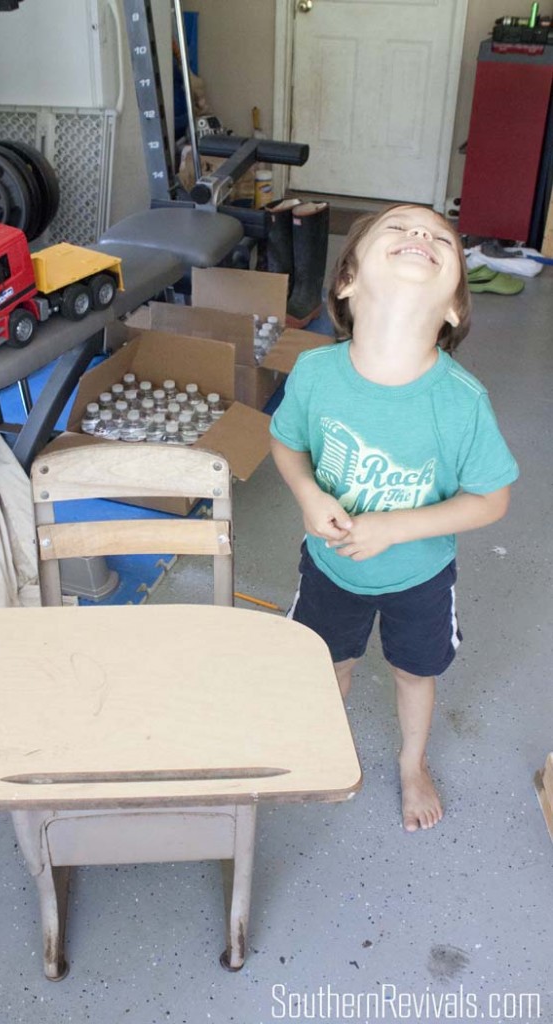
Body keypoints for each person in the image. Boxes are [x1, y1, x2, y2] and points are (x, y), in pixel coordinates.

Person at [270, 204, 519, 832]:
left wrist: (395, 528)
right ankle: (324, 749)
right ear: (348, 281)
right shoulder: (314, 373)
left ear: (455, 309)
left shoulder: (462, 403)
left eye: (441, 238)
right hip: (330, 569)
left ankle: (412, 764)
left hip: (421, 577)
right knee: (330, 665)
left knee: (415, 673)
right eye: (401, 229)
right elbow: (286, 443)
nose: (420, 236)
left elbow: (491, 499)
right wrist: (306, 494)